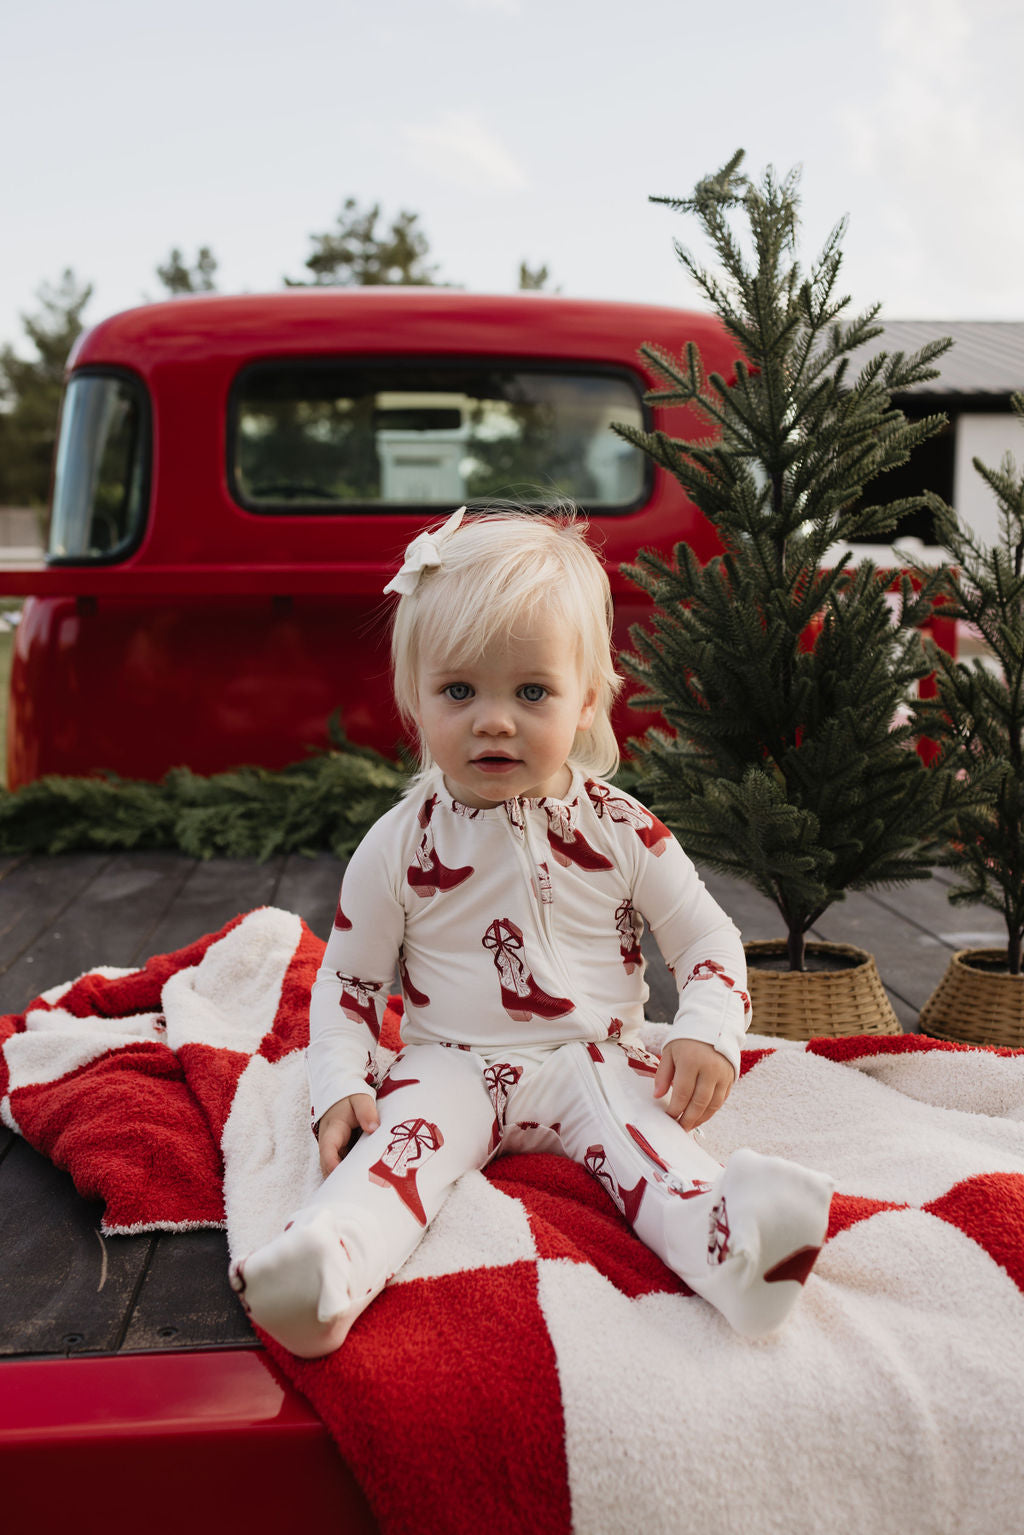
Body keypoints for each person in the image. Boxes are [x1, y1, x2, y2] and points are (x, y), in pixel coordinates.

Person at [229, 505, 833, 1356]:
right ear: (415, 698)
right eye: (459, 691)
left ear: (587, 698)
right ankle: (327, 1268)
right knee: (399, 1151)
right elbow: (352, 983)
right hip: (452, 1063)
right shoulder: (399, 845)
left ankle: (733, 1245)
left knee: (647, 1141)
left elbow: (706, 941)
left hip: (594, 1056)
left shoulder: (625, 829)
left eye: (532, 691)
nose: (494, 719)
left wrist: (707, 1030)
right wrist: (338, 1080)